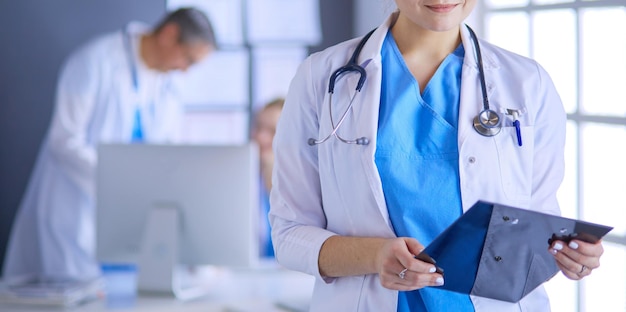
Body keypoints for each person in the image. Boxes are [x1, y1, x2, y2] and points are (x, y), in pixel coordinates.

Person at [268, 1, 605, 311]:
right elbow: (290, 233)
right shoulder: (320, 78)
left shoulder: (528, 83)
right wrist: (375, 257)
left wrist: (569, 254)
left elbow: (536, 224)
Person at [3, 8, 217, 282]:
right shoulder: (94, 61)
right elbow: (64, 140)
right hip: (76, 210)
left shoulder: (168, 87)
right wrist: (117, 182)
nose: (185, 71)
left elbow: (166, 151)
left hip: (128, 219)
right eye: (187, 59)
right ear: (169, 34)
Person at [251, 98, 284, 259]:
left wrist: (272, 182)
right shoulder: (241, 182)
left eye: (272, 130)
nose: (261, 138)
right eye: (258, 128)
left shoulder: (305, 186)